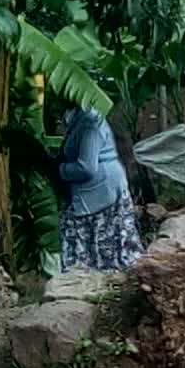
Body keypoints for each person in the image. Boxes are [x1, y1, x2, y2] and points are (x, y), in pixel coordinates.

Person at [56, 106, 142, 272]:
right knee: (107, 245)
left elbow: (87, 167)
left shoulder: (90, 122)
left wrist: (60, 169)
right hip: (99, 190)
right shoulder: (80, 118)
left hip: (100, 192)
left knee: (104, 245)